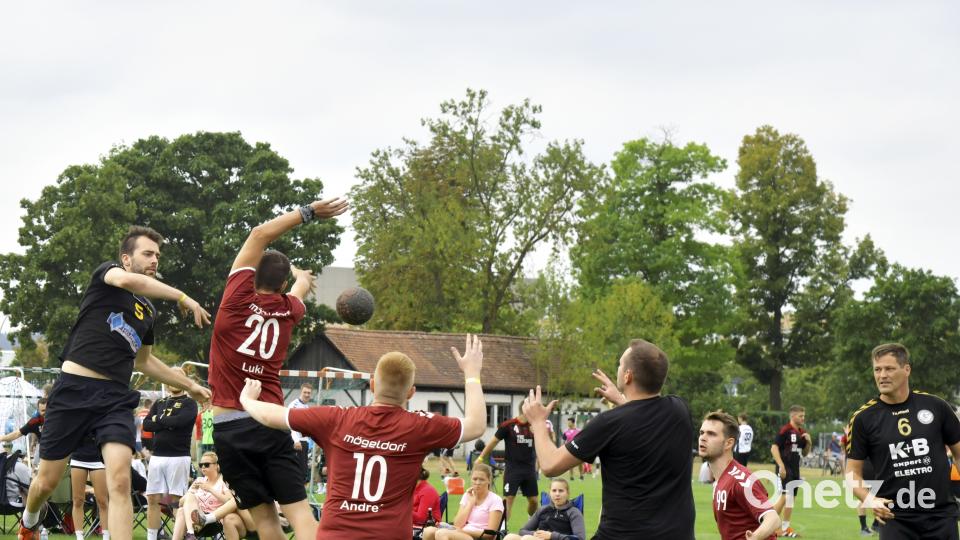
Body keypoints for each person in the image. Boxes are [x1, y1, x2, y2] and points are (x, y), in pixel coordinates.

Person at [17, 225, 212, 540]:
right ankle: (29, 521)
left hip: (115, 399)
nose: (154, 260)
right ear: (126, 257)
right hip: (73, 391)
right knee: (46, 482)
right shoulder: (108, 276)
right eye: (147, 253)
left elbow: (145, 361)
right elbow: (126, 280)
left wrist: (187, 384)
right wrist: (182, 296)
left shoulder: (148, 310)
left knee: (120, 480)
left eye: (158, 255)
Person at [239, 334, 488, 539]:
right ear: (410, 393)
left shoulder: (337, 418)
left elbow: (275, 416)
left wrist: (246, 400)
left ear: (371, 385)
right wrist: (471, 373)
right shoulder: (420, 426)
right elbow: (477, 425)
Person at [207, 196, 347, 540]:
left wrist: (308, 212)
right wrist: (301, 276)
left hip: (228, 426)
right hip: (268, 420)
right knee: (298, 513)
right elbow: (299, 289)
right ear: (283, 285)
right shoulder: (290, 310)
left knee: (265, 519)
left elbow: (258, 235)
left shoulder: (235, 301)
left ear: (249, 276)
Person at [521, 338, 696, 540]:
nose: (618, 369)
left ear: (628, 376)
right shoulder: (679, 409)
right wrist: (624, 401)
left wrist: (538, 422)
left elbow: (550, 465)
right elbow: (642, 416)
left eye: (620, 365)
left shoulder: (608, 423)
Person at [845, 343, 960, 539]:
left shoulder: (936, 406)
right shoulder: (863, 418)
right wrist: (870, 499)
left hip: (941, 516)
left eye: (889, 369)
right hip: (895, 519)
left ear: (907, 369)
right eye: (877, 369)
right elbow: (851, 473)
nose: (882, 375)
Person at [698, 410, 780, 540]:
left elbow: (773, 519)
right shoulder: (720, 480)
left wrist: (755, 537)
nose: (703, 437)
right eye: (702, 433)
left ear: (728, 443)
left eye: (711, 434)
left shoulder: (741, 479)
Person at [143, 370, 199, 540]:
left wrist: (158, 420)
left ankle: (178, 537)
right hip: (157, 457)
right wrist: (166, 422)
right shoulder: (159, 402)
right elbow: (146, 424)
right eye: (170, 376)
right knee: (152, 499)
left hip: (178, 457)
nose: (173, 380)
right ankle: (152, 537)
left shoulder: (189, 403)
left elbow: (180, 422)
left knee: (177, 500)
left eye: (178, 376)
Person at [477, 404, 539, 520]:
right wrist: (480, 458)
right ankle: (503, 530)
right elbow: (493, 442)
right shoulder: (508, 426)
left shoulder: (535, 426)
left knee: (534, 501)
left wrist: (538, 433)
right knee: (508, 499)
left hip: (529, 469)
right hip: (512, 469)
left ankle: (531, 522)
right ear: (525, 410)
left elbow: (544, 444)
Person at [171, 452, 246, 540]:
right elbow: (181, 502)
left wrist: (210, 489)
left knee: (182, 510)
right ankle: (190, 533)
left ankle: (190, 534)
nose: (203, 467)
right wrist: (192, 490)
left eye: (206, 464)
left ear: (216, 465)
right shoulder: (199, 480)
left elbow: (230, 501)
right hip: (195, 521)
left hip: (214, 522)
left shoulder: (222, 481)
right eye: (201, 465)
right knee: (181, 509)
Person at [422, 463, 503, 540]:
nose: (477, 483)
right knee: (429, 531)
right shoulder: (467, 496)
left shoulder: (495, 500)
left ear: (489, 480)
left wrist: (463, 531)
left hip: (478, 537)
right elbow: (457, 524)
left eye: (482, 480)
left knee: (442, 533)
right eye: (475, 479)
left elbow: (490, 535)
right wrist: (470, 503)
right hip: (462, 533)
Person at [770, 405, 811, 537]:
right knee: (785, 497)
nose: (803, 418)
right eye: (800, 416)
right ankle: (766, 523)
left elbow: (805, 453)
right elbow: (774, 448)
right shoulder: (785, 430)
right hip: (785, 469)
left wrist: (809, 442)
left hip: (795, 470)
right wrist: (781, 465)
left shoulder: (801, 432)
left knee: (790, 499)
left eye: (804, 416)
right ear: (793, 416)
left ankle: (785, 528)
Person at [503, 478, 586, 540]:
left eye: (561, 491)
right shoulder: (543, 510)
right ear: (549, 493)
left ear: (567, 493)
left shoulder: (574, 512)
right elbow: (522, 531)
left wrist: (551, 536)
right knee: (509, 537)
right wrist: (535, 533)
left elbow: (580, 538)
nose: (557, 494)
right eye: (554, 490)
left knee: (527, 539)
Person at [69, 435, 109, 540]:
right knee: (78, 500)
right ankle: (79, 537)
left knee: (102, 501)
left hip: (98, 459)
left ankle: (106, 536)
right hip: (78, 457)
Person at [287, 382, 313, 486]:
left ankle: (301, 494)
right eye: (305, 392)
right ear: (300, 392)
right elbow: (290, 424)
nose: (307, 395)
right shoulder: (294, 405)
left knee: (304, 470)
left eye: (309, 393)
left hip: (305, 442)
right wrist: (296, 440)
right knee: (298, 470)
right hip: (297, 442)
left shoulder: (306, 406)